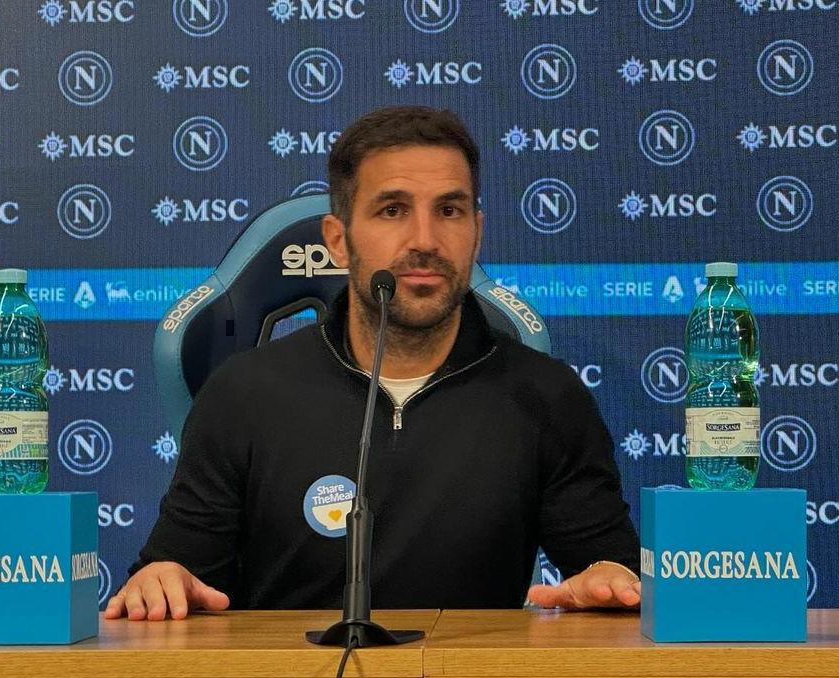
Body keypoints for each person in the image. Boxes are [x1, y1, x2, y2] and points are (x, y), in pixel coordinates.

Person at [106, 106, 641, 621]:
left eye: (449, 211)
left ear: (476, 233)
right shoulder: (242, 395)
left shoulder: (547, 396)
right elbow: (177, 572)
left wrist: (611, 580)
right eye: (393, 210)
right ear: (338, 241)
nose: (425, 240)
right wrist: (162, 579)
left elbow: (610, 571)